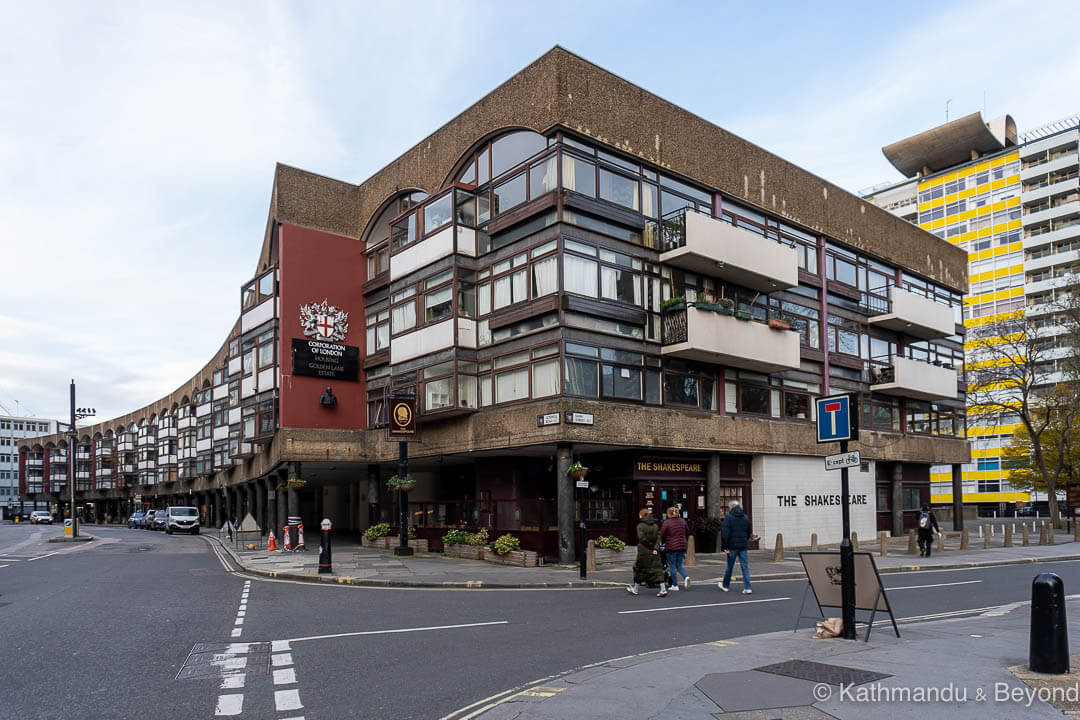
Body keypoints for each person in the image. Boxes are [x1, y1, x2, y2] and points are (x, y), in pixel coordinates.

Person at [627, 508, 669, 597]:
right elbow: (658, 538)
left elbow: (642, 538)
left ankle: (635, 589)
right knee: (657, 569)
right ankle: (663, 589)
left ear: (642, 515)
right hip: (654, 550)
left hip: (644, 550)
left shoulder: (640, 526)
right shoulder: (655, 525)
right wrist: (655, 548)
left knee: (640, 569)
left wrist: (650, 547)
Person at [719, 500, 752, 594]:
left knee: (730, 566)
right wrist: (745, 540)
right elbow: (749, 531)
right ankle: (748, 587)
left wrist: (725, 547)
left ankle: (725, 586)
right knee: (745, 567)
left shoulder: (728, 518)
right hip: (743, 546)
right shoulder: (745, 517)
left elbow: (725, 534)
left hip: (732, 546)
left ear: (731, 508)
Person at [660, 506, 690, 591]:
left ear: (668, 514)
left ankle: (675, 585)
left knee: (672, 566)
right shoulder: (682, 521)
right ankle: (686, 577)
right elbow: (687, 532)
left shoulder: (666, 522)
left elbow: (662, 534)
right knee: (679, 565)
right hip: (682, 546)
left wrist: (662, 543)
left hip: (671, 547)